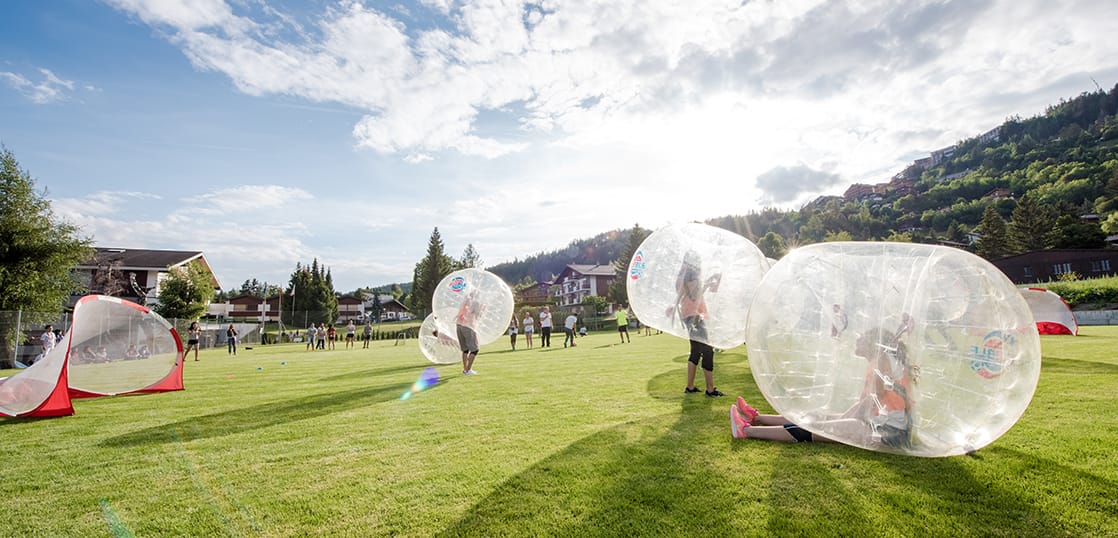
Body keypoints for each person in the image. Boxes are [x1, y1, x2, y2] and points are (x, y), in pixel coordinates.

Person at [730, 327, 913, 448]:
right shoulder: (877, 360)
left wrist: (836, 422)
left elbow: (875, 399)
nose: (858, 339)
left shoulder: (881, 359)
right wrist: (837, 419)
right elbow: (867, 403)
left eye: (863, 336)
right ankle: (757, 418)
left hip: (887, 434)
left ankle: (746, 431)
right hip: (877, 424)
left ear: (872, 343)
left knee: (818, 428)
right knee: (817, 418)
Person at [673, 251, 724, 397]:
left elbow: (704, 292)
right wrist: (708, 281)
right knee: (708, 350)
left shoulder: (682, 276)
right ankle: (710, 389)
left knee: (695, 351)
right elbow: (695, 295)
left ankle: (690, 387)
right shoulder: (691, 276)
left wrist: (715, 280)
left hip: (689, 315)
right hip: (695, 316)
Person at [456, 291, 484, 375]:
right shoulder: (475, 302)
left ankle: (465, 369)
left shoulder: (464, 302)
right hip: (468, 326)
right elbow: (477, 315)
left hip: (458, 325)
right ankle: (468, 370)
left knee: (465, 350)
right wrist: (482, 309)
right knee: (475, 349)